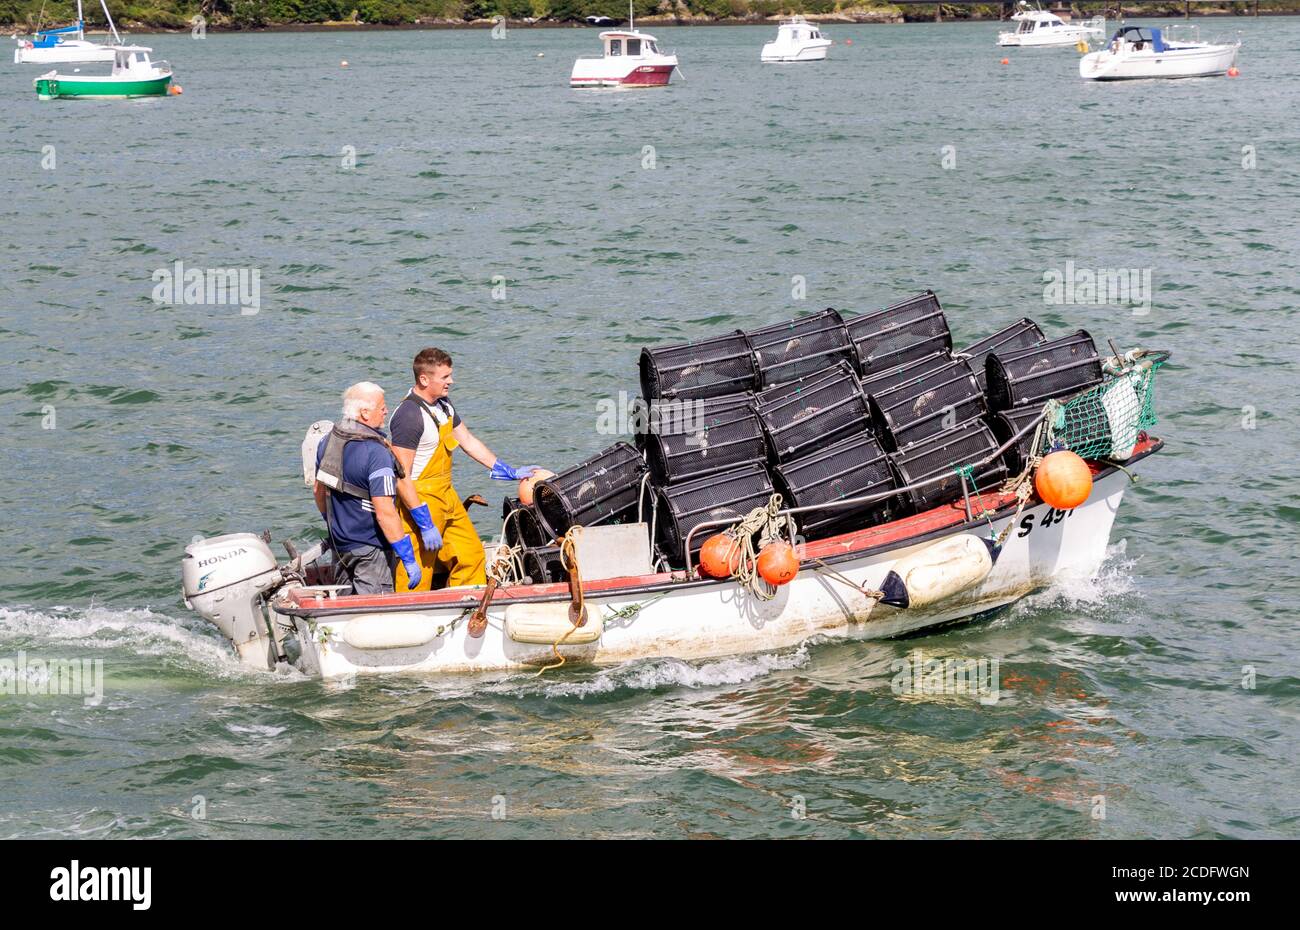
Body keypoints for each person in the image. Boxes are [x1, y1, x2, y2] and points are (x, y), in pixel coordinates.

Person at [388, 347, 542, 590]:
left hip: (447, 495)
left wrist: (506, 470)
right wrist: (423, 521)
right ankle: (407, 617)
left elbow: (467, 440)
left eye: (450, 375)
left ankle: (464, 607)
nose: (451, 381)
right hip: (419, 500)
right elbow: (401, 476)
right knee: (419, 568)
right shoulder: (409, 415)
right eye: (445, 377)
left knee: (471, 556)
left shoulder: (444, 406)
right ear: (424, 379)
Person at [313, 382, 441, 594]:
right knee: (374, 615)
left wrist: (331, 521)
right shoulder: (376, 453)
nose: (386, 411)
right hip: (371, 551)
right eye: (382, 407)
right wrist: (407, 557)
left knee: (345, 611)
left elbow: (318, 490)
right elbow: (385, 513)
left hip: (340, 548)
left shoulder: (327, 441)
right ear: (364, 412)